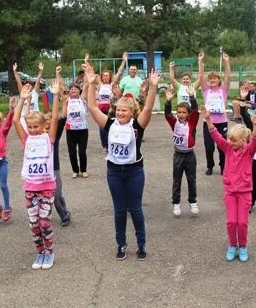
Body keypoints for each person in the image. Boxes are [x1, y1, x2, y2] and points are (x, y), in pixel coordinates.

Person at [85, 63, 161, 261]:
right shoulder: (109, 124)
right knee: (119, 210)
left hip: (134, 172)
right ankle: (121, 244)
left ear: (131, 112)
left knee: (135, 209)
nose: (120, 113)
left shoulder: (138, 125)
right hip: (114, 172)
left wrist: (152, 87)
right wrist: (91, 84)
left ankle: (141, 244)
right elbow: (92, 107)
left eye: (124, 111)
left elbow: (149, 107)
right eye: (118, 110)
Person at [200, 104, 256, 263]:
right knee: (232, 222)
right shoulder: (227, 148)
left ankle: (243, 246)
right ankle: (233, 245)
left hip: (245, 192)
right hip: (230, 191)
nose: (229, 142)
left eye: (233, 140)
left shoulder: (248, 151)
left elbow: (255, 140)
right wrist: (208, 120)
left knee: (242, 222)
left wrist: (254, 125)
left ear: (241, 140)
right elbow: (216, 137)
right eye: (229, 140)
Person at [12, 78, 61, 270]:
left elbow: (55, 118)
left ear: (43, 127)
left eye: (35, 127)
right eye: (30, 127)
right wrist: (22, 99)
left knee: (44, 222)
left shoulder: (48, 139)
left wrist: (56, 96)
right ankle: (39, 252)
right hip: (30, 189)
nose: (32, 130)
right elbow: (16, 120)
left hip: (47, 188)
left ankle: (49, 251)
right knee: (33, 224)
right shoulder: (26, 140)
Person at [164, 85, 200, 216]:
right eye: (179, 112)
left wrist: (192, 97)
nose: (181, 115)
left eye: (184, 112)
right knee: (177, 180)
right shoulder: (174, 123)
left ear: (188, 114)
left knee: (191, 179)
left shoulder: (192, 122)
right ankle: (176, 203)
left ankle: (193, 201)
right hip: (178, 155)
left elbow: (196, 111)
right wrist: (168, 101)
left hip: (190, 155)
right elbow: (167, 114)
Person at [197, 50, 231, 175]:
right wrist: (200, 61)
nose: (213, 80)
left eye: (215, 78)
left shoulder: (223, 90)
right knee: (209, 147)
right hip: (209, 123)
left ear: (218, 80)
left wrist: (227, 62)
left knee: (222, 147)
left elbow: (228, 77)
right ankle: (210, 166)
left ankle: (223, 166)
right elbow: (201, 77)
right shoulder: (206, 90)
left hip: (222, 123)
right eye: (211, 78)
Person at [50, 66, 72, 226]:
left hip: (54, 169)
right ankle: (64, 211)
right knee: (54, 195)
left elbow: (61, 119)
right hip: (43, 172)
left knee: (56, 195)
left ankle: (64, 215)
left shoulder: (53, 138)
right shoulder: (34, 138)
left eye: (47, 125)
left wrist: (62, 101)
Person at [95, 52, 127, 153]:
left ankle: (112, 143)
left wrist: (123, 61)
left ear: (110, 77)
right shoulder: (99, 85)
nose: (105, 77)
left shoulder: (112, 84)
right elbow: (90, 74)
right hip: (101, 110)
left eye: (107, 76)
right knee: (101, 128)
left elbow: (119, 72)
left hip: (111, 110)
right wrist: (86, 63)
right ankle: (104, 145)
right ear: (101, 77)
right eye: (104, 76)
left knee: (112, 127)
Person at [64, 79, 89, 179]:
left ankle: (84, 170)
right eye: (71, 89)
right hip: (70, 130)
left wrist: (87, 68)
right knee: (72, 152)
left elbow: (87, 84)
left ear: (79, 91)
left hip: (82, 129)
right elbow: (60, 86)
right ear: (69, 91)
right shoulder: (67, 100)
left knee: (82, 151)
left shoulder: (82, 99)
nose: (73, 90)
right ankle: (75, 170)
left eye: (75, 88)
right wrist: (58, 74)